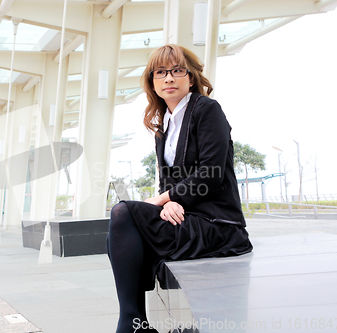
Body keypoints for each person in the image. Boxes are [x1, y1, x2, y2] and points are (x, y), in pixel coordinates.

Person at [106, 44, 253, 333]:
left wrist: (166, 198)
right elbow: (169, 183)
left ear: (191, 76)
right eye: (160, 72)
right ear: (152, 82)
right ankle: (135, 322)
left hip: (218, 224)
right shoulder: (165, 128)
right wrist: (170, 201)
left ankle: (132, 323)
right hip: (185, 218)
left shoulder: (207, 109)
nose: (169, 78)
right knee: (123, 223)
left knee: (123, 213)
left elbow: (211, 172)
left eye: (177, 70)